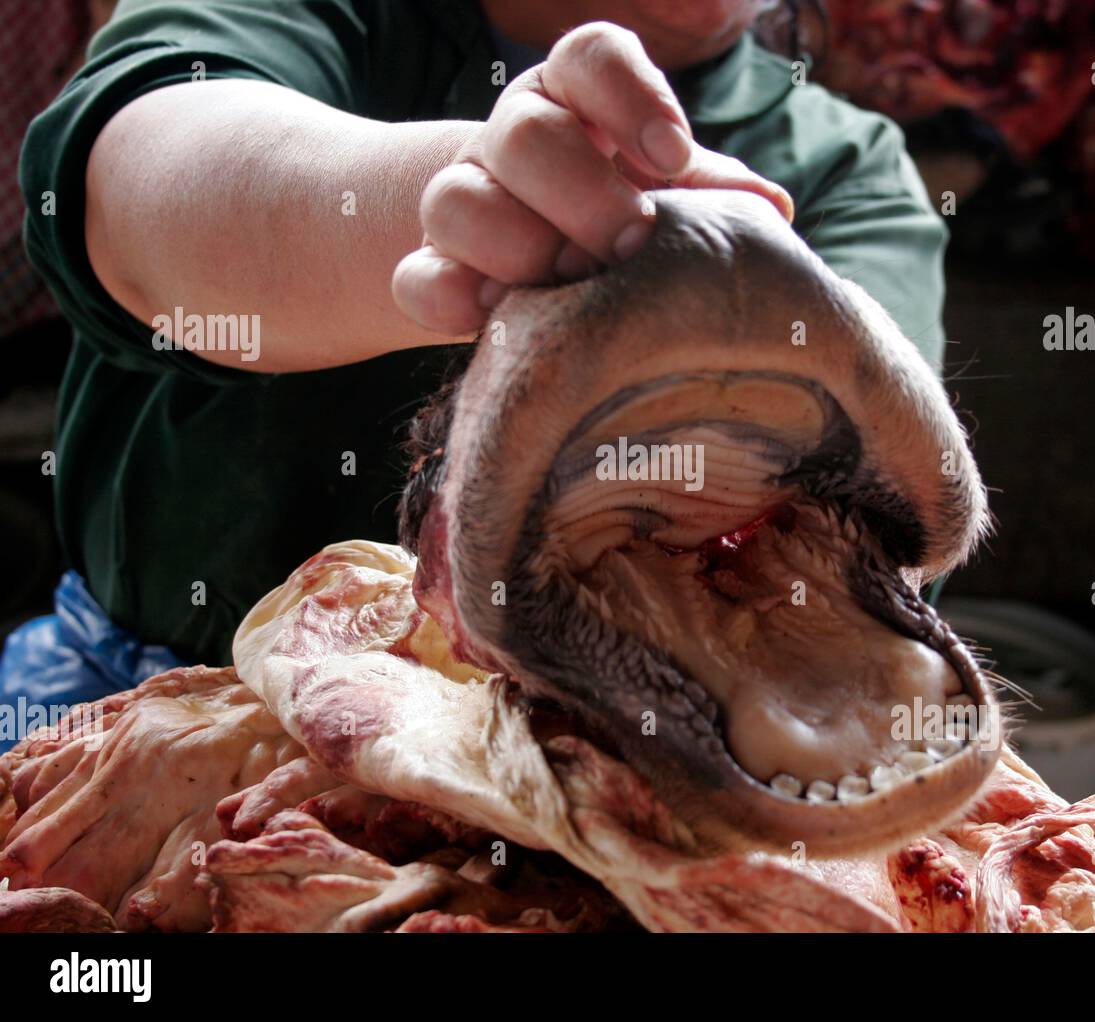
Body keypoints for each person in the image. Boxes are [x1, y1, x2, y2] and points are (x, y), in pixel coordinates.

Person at [5, 0, 948, 735]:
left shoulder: (844, 163)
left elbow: (873, 526)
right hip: (148, 714)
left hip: (635, 777)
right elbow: (127, 186)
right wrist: (452, 199)